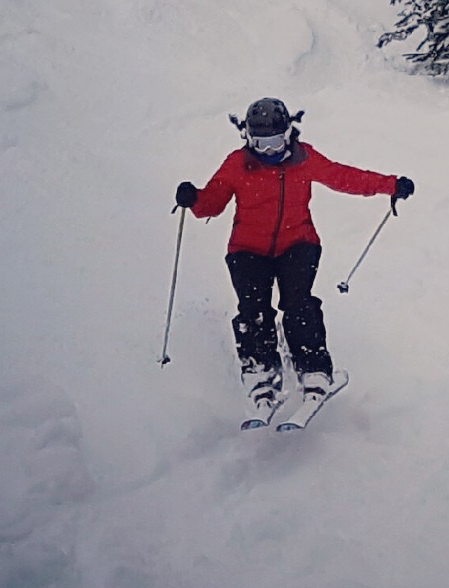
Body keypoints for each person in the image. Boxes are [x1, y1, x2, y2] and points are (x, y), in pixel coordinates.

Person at [175, 97, 414, 417]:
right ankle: (260, 369)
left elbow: (345, 177)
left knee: (299, 303)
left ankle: (313, 368)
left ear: (288, 133)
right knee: (254, 308)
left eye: (275, 142)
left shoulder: (305, 159)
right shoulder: (237, 163)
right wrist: (194, 199)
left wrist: (390, 186)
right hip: (247, 249)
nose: (269, 151)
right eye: (260, 143)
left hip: (297, 242)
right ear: (248, 138)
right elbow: (212, 204)